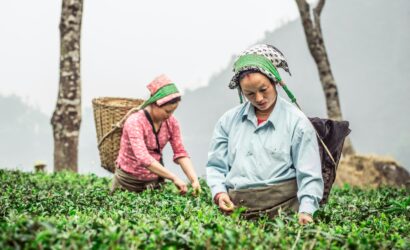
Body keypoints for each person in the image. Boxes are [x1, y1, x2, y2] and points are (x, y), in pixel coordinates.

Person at [206, 44, 324, 225]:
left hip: (284, 213)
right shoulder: (227, 121)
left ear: (275, 81)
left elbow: (309, 174)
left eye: (263, 89)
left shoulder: (297, 122)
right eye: (250, 94)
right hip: (237, 214)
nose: (259, 99)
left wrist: (307, 210)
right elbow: (216, 166)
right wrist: (219, 192)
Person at [111, 74, 201, 195]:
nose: (169, 115)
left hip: (154, 181)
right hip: (128, 182)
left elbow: (180, 152)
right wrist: (173, 177)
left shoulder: (172, 123)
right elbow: (143, 157)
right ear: (154, 103)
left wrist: (194, 179)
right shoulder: (135, 122)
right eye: (167, 111)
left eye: (173, 111)